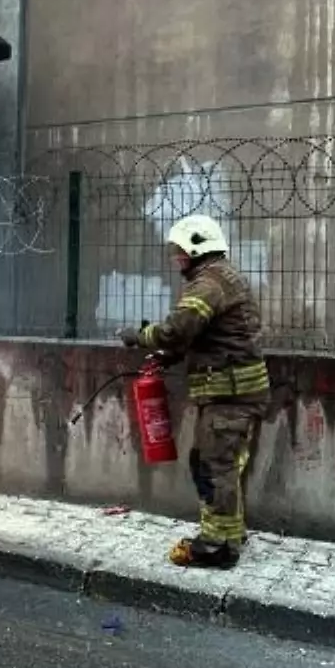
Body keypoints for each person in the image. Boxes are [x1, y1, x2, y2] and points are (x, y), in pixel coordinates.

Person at [119, 214, 269, 569]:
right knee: (217, 463)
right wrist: (167, 357)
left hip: (229, 395)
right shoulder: (220, 276)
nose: (176, 258)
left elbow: (177, 329)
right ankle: (229, 534)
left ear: (198, 248)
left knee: (215, 465)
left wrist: (139, 336)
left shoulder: (209, 283)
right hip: (232, 393)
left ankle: (217, 546)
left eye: (180, 251)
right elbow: (200, 335)